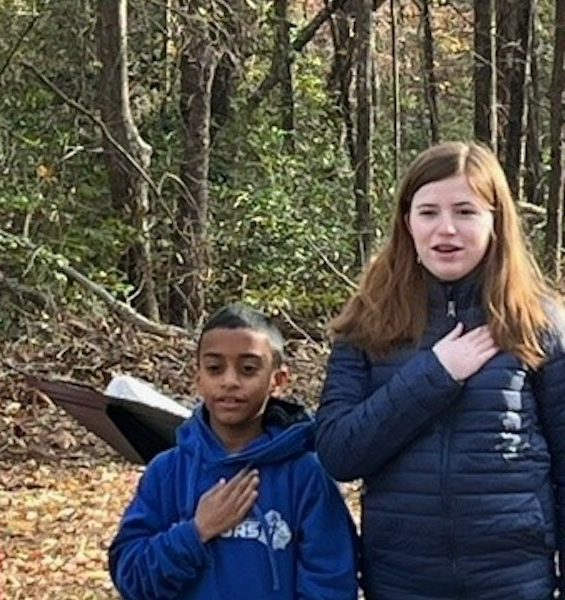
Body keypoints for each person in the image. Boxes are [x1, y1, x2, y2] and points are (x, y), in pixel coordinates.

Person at [316, 141, 565, 600]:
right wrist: (435, 375)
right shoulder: (366, 323)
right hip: (402, 583)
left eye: (466, 211)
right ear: (406, 222)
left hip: (513, 585)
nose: (446, 229)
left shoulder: (540, 324)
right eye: (428, 212)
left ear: (495, 222)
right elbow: (337, 453)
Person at [109, 304, 358, 600]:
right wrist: (196, 531)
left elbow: (331, 585)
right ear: (198, 377)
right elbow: (131, 578)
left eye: (248, 369)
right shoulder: (166, 472)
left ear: (277, 380)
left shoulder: (307, 475)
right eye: (215, 368)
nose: (229, 381)